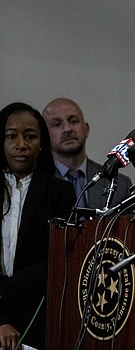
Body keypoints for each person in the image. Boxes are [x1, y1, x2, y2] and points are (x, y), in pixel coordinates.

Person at [1, 102, 76, 350]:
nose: (21, 145)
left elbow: (60, 256)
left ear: (41, 142)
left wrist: (6, 292)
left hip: (37, 317)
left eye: (30, 136)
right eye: (11, 136)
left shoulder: (60, 192)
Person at [42, 98, 133, 209]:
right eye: (57, 124)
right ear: (44, 136)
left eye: (73, 121)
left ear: (86, 129)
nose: (67, 129)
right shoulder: (37, 185)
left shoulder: (121, 185)